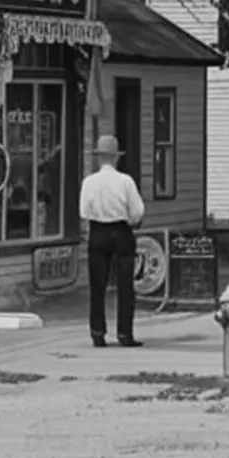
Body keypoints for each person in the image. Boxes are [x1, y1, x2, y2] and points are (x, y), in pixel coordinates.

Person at [79, 134, 146, 348]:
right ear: (116, 158)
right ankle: (125, 333)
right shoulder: (125, 181)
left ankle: (97, 332)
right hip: (120, 230)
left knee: (97, 284)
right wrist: (132, 221)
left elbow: (83, 211)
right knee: (125, 284)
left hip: (97, 231)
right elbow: (137, 211)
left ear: (99, 158)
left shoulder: (89, 182)